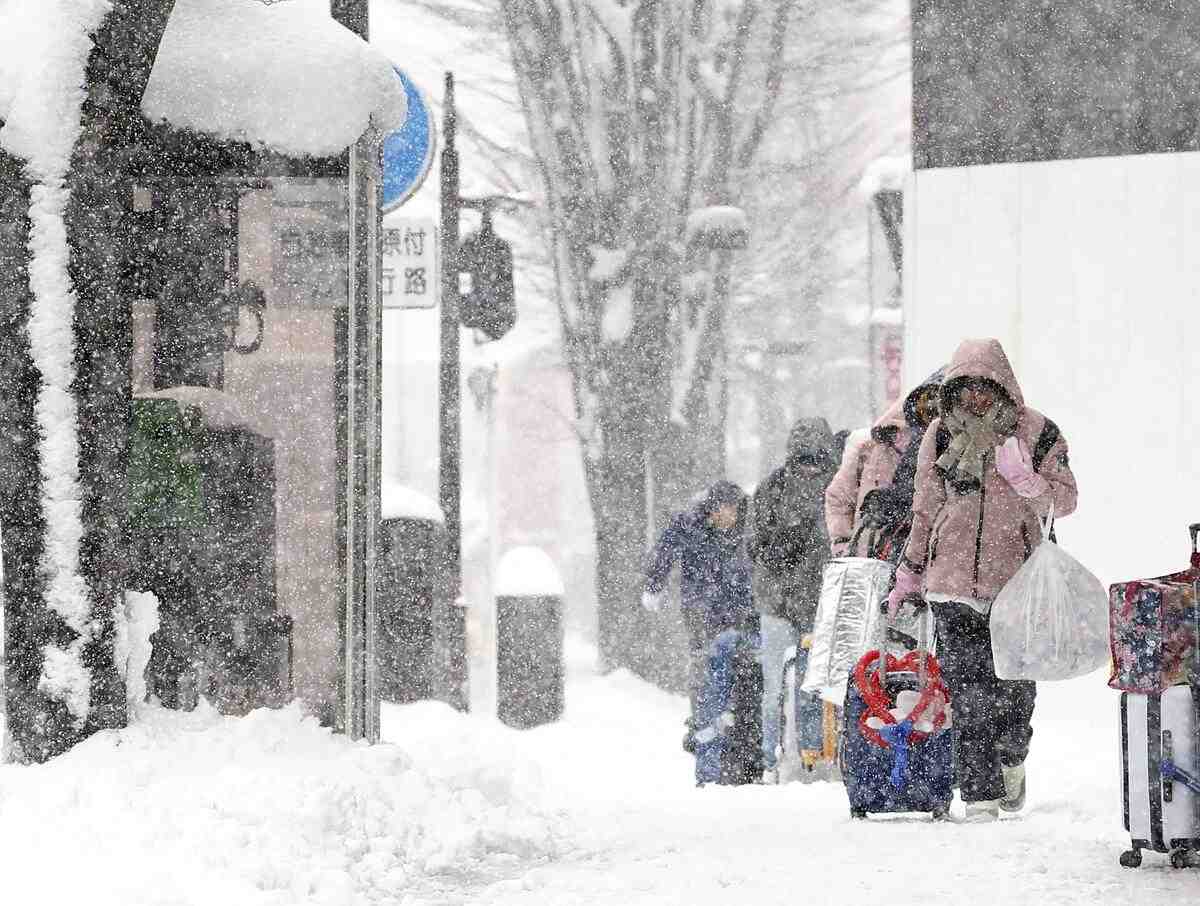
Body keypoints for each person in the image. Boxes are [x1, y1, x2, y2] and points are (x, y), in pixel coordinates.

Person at [887, 338, 1077, 822]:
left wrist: (1028, 481)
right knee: (970, 698)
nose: (973, 399)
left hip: (1017, 587)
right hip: (950, 587)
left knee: (1015, 694)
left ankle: (1013, 760)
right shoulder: (941, 434)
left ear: (1001, 385)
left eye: (982, 387)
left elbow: (1068, 499)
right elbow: (924, 511)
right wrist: (908, 576)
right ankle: (980, 799)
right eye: (964, 388)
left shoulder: (1036, 432)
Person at [642, 480, 757, 785]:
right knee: (705, 671)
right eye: (722, 509)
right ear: (712, 508)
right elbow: (664, 552)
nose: (727, 516)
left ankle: (737, 745)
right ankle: (703, 729)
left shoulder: (746, 530)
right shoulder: (689, 526)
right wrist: (654, 585)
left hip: (740, 612)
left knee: (740, 674)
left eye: (732, 509)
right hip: (702, 612)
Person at [749, 417, 838, 781]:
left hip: (790, 602)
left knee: (790, 687)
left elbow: (756, 545)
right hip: (803, 603)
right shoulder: (834, 485)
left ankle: (789, 760)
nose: (809, 467)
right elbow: (758, 545)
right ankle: (799, 759)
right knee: (808, 685)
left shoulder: (776, 486)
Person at [825, 371, 943, 558]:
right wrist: (842, 544)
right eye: (927, 404)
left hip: (915, 561)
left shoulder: (945, 452)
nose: (931, 412)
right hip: (868, 557)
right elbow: (838, 497)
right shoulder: (871, 448)